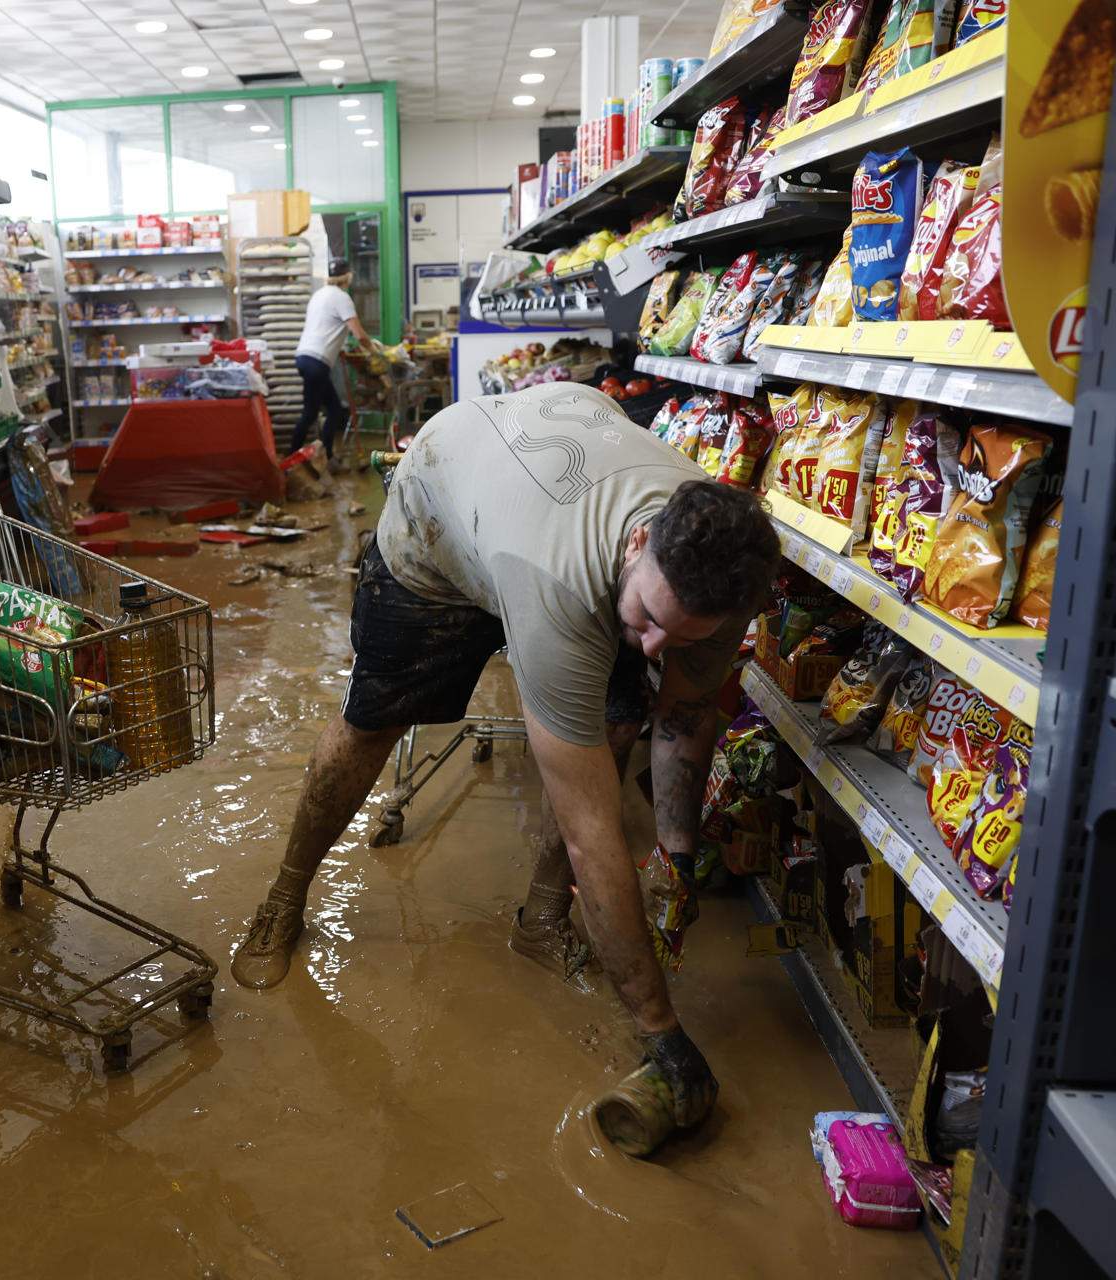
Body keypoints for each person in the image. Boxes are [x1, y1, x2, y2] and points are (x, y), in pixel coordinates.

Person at [230, 380, 780, 1143]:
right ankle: (284, 899)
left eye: (681, 636)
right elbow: (595, 831)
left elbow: (683, 721)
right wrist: (661, 1032)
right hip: (439, 519)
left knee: (621, 717)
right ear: (635, 544)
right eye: (650, 621)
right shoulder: (561, 582)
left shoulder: (716, 568)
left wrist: (679, 855)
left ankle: (542, 921)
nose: (657, 647)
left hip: (538, 491)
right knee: (372, 725)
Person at [290, 258, 375, 456]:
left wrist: (339, 349)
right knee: (312, 413)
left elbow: (325, 327)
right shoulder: (342, 297)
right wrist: (374, 351)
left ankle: (325, 455)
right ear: (348, 277)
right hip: (316, 362)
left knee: (332, 409)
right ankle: (292, 459)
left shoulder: (319, 294)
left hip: (304, 357)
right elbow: (359, 334)